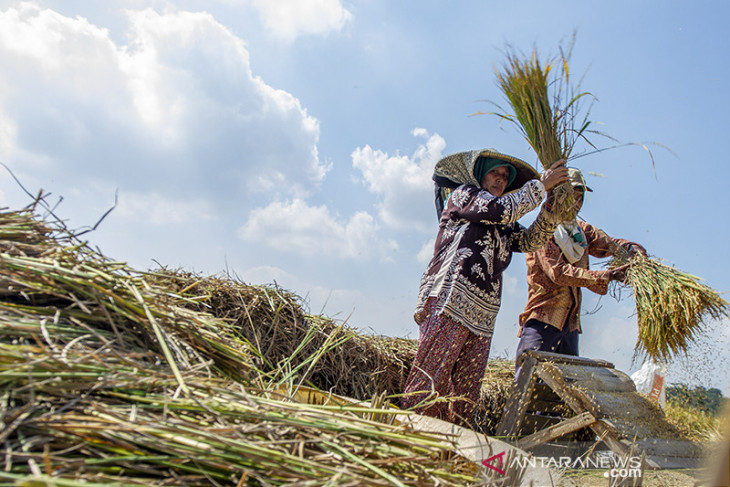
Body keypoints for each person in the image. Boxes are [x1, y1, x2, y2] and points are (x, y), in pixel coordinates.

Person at [401, 148, 568, 427]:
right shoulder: (465, 195)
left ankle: (454, 449)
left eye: (505, 176)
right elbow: (499, 210)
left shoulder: (504, 222)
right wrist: (540, 187)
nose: (500, 179)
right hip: (450, 299)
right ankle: (410, 438)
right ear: (480, 174)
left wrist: (550, 209)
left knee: (466, 392)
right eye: (495, 172)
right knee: (431, 378)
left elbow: (528, 241)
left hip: (483, 312)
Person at [515, 168, 646, 369]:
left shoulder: (578, 231)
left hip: (570, 326)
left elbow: (608, 243)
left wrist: (631, 248)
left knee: (566, 388)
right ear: (557, 195)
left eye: (580, 197)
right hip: (543, 320)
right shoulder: (543, 230)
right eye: (571, 197)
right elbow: (557, 273)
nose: (576, 204)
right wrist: (606, 276)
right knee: (529, 381)